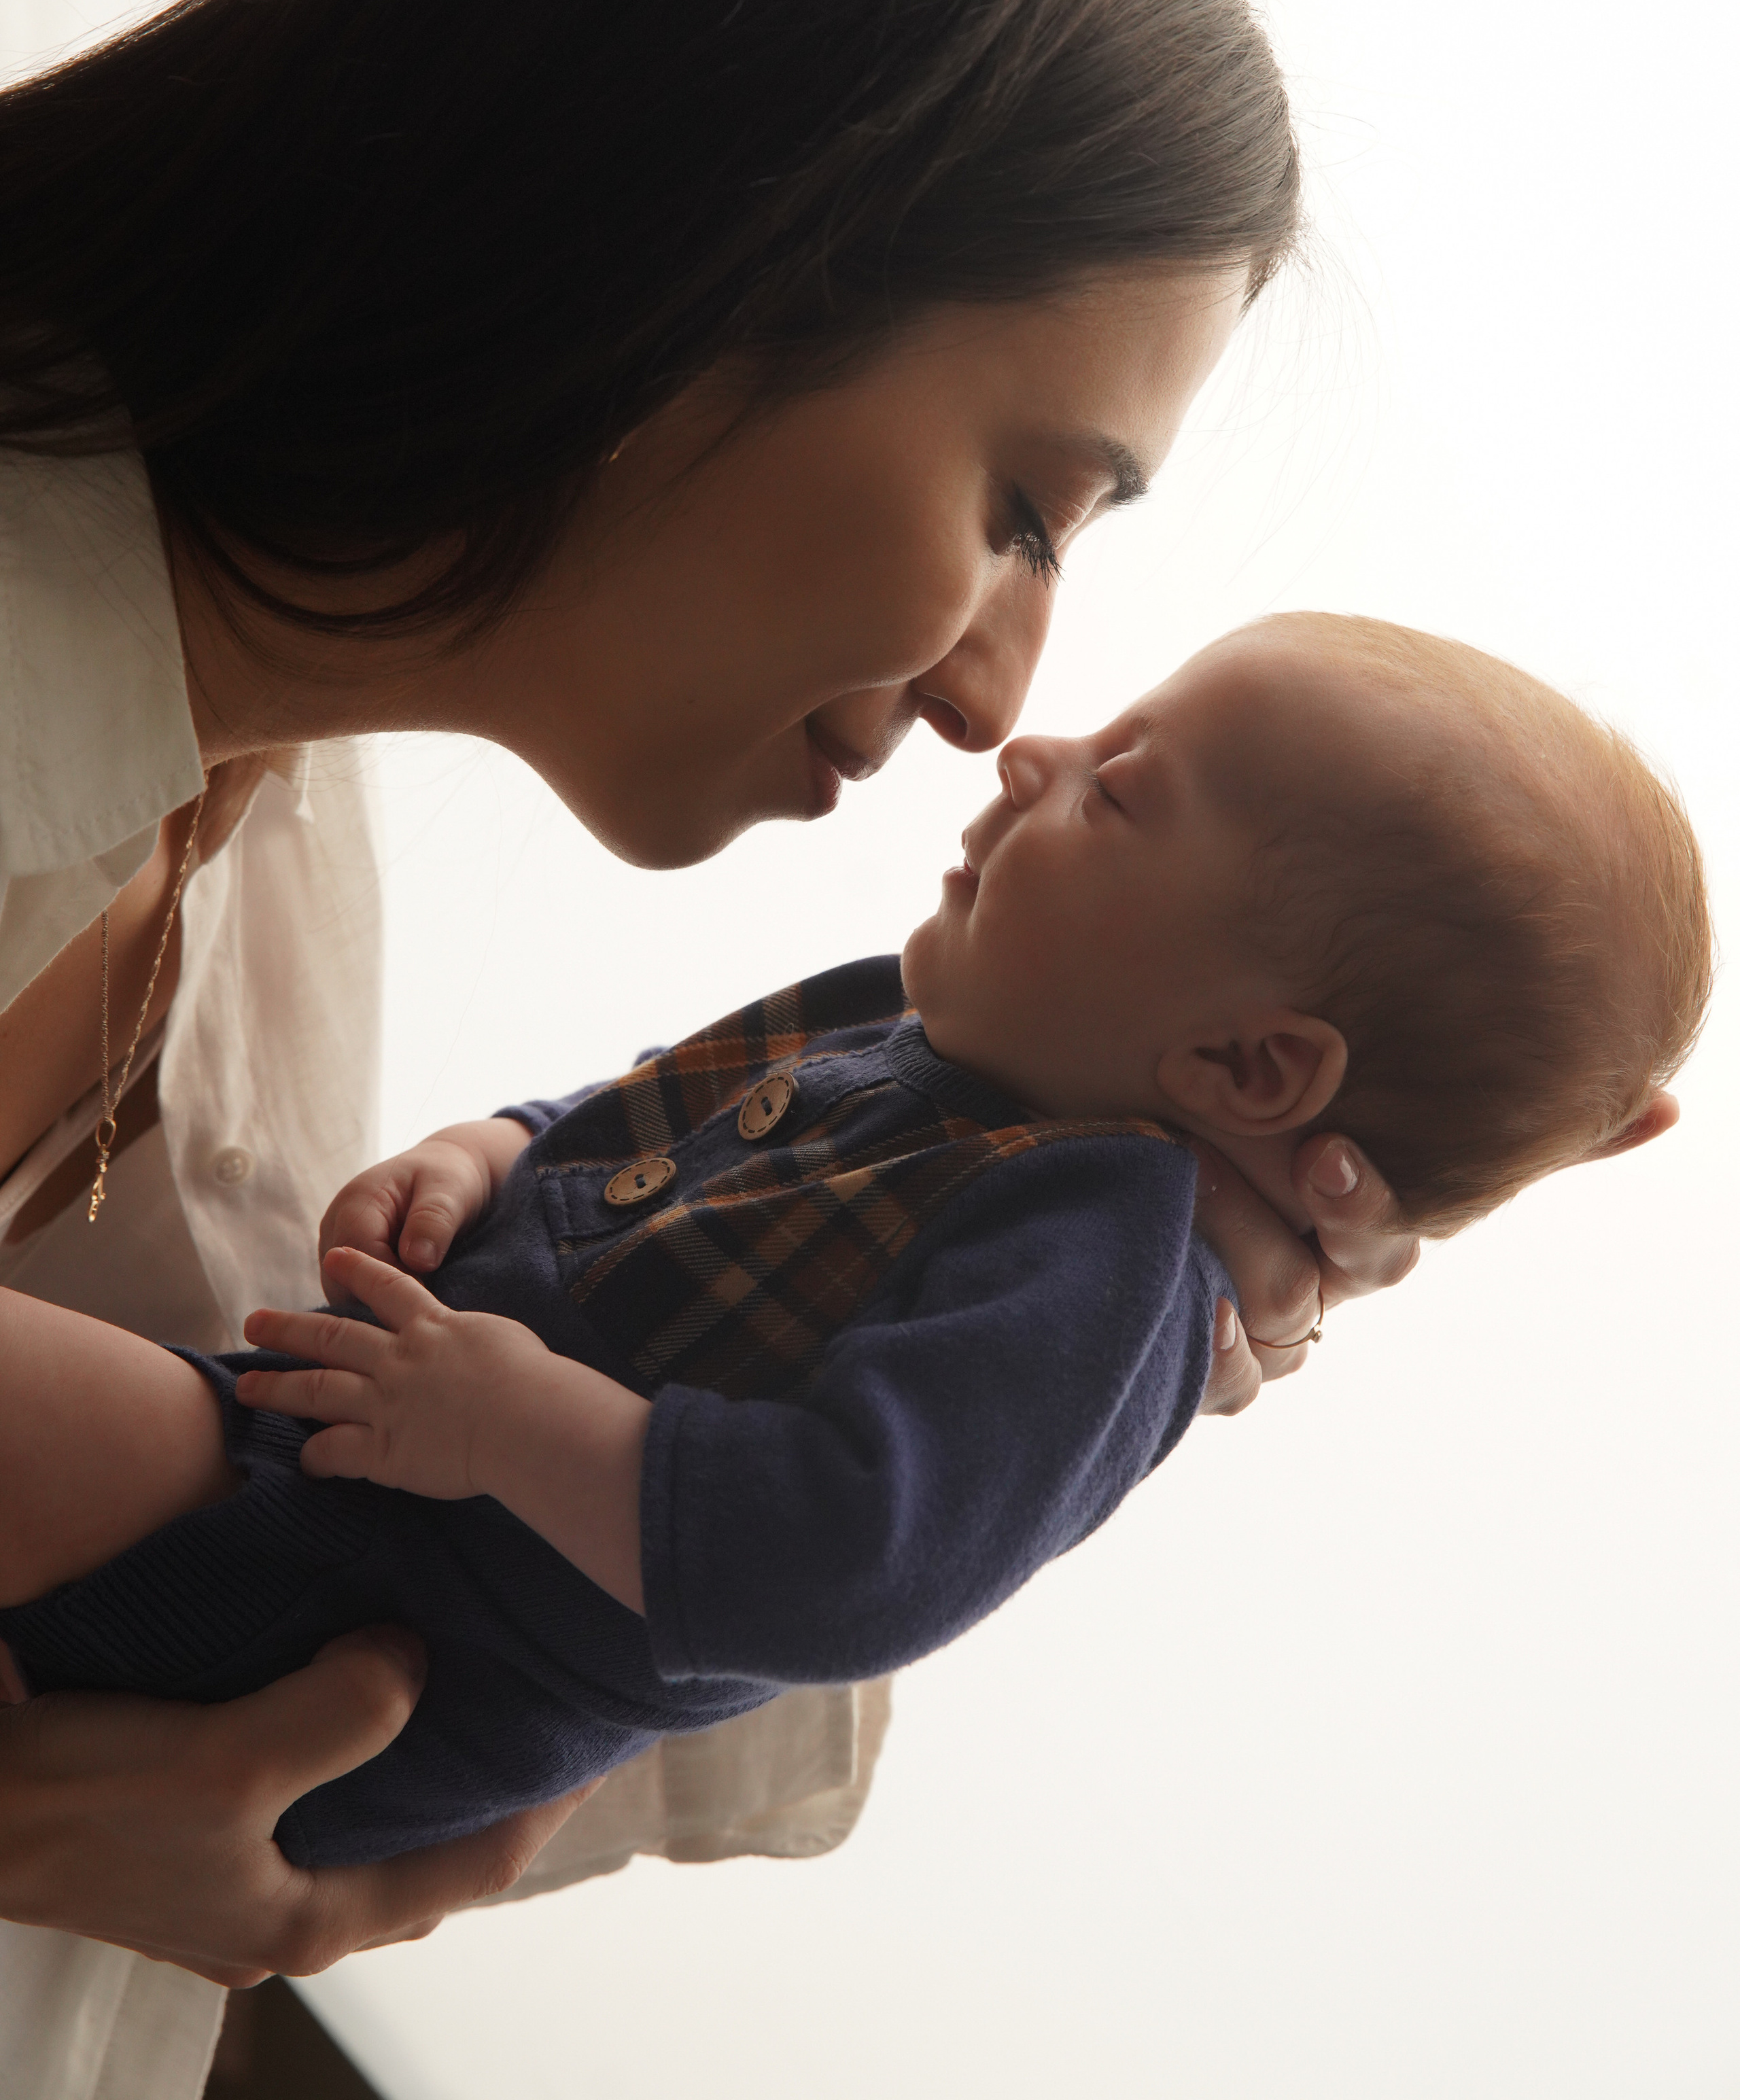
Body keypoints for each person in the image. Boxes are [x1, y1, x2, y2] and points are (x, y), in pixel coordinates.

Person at [0, 0, 1419, 2099]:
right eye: (1024, 506)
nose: (996, 697)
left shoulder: (268, 839)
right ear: (706, 247)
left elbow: (374, 1569)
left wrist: (1062, 1385)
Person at [0, 613, 1704, 1864]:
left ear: (1248, 1068)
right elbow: (642, 1112)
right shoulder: (919, 1018)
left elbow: (845, 1566)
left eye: (1119, 790)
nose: (1030, 751)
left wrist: (502, 1419)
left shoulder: (1099, 1266)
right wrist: (487, 1154)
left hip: (394, 1621)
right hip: (342, 1480)